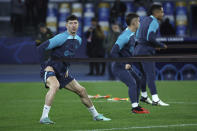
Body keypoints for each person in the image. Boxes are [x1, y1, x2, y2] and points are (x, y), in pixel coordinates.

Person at [37, 15, 111, 124]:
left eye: (75, 23)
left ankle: (96, 115)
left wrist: (66, 68)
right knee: (55, 85)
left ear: (78, 25)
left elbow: (68, 56)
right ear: (66, 25)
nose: (73, 25)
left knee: (82, 90)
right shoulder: (60, 38)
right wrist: (44, 66)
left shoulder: (78, 40)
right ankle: (44, 117)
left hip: (62, 71)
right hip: (51, 68)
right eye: (71, 23)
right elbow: (40, 48)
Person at [111, 13, 149, 114]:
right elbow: (113, 52)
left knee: (138, 81)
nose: (140, 23)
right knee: (132, 83)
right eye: (139, 21)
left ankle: (136, 105)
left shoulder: (132, 33)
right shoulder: (125, 36)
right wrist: (123, 64)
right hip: (119, 67)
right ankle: (135, 108)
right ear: (134, 23)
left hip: (126, 66)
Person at [133, 4, 169, 106]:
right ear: (156, 13)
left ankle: (144, 96)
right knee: (151, 75)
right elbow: (150, 37)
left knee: (144, 74)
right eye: (161, 12)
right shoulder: (154, 22)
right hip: (145, 52)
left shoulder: (144, 20)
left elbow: (138, 36)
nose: (163, 14)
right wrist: (161, 45)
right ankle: (155, 99)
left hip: (138, 50)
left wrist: (151, 45)